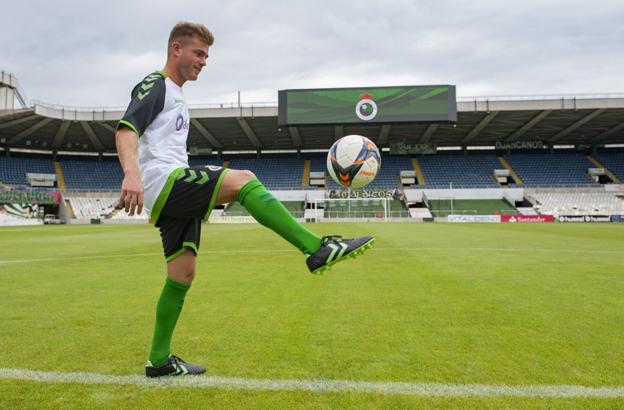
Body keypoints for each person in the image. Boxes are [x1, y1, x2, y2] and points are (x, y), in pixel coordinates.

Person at [115, 22, 374, 378]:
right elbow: (127, 128)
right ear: (176, 49)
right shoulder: (156, 85)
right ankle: (316, 248)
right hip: (165, 181)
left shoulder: (176, 94)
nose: (204, 61)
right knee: (244, 180)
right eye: (198, 53)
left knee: (182, 273)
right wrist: (131, 174)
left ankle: (159, 361)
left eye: (207, 55)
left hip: (171, 186)